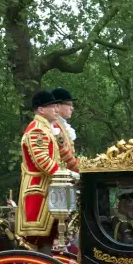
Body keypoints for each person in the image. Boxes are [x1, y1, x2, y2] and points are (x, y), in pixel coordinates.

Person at [17, 90, 76, 240]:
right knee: (39, 237)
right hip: (40, 188)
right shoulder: (37, 129)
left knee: (52, 235)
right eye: (52, 107)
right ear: (41, 109)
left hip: (50, 188)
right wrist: (68, 175)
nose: (56, 110)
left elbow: (62, 156)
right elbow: (43, 161)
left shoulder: (48, 129)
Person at [50, 87, 81, 174]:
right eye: (69, 104)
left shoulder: (62, 125)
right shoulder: (54, 126)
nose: (72, 108)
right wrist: (80, 171)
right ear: (57, 105)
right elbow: (65, 156)